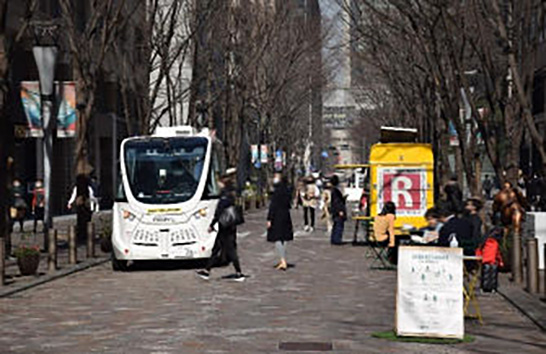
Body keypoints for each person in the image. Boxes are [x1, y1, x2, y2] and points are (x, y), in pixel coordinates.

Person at [197, 168, 245, 281]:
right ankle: (207, 271)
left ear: (223, 182)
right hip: (230, 225)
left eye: (219, 182)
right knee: (217, 248)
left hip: (225, 225)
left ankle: (239, 273)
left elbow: (219, 211)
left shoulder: (225, 195)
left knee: (230, 249)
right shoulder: (232, 193)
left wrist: (212, 224)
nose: (217, 184)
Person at [266, 172, 294, 271]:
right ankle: (283, 259)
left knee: (277, 238)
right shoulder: (287, 190)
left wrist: (269, 218)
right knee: (284, 238)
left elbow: (273, 206)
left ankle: (283, 260)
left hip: (277, 216)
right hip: (286, 215)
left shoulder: (277, 191)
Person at [68, 174, 96, 243]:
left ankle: (80, 234)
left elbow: (73, 195)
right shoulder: (88, 187)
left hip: (80, 206)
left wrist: (70, 203)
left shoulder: (77, 187)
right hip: (87, 206)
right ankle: (86, 235)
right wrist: (94, 205)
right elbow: (91, 196)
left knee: (80, 220)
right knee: (87, 220)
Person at [330, 175, 347, 245]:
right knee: (338, 225)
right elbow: (337, 202)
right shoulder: (336, 191)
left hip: (335, 210)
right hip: (338, 211)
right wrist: (340, 210)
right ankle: (337, 239)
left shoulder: (334, 190)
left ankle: (334, 239)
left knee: (336, 224)